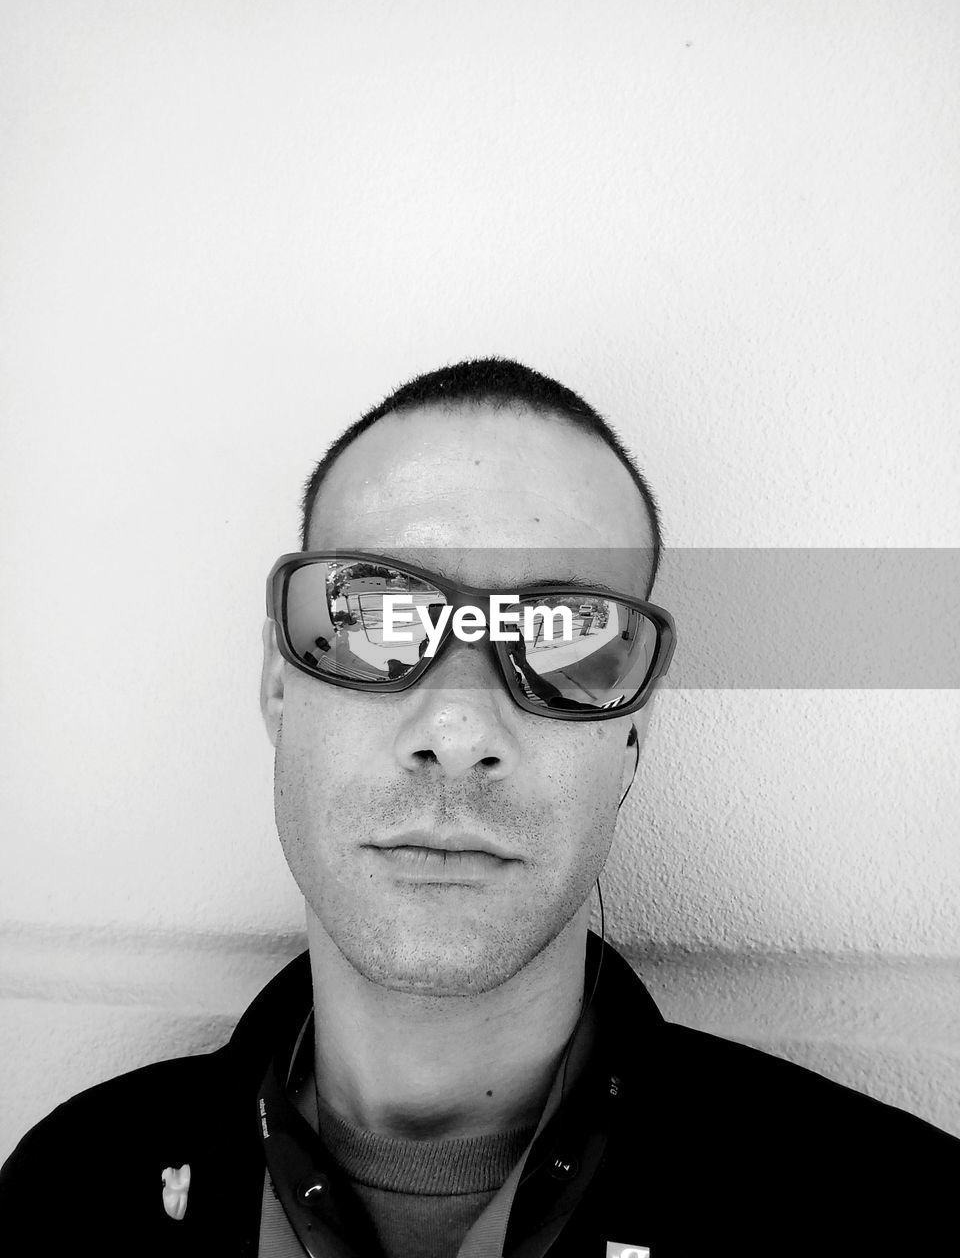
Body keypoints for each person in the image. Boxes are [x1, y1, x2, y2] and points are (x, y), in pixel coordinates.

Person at [1, 358, 957, 1257]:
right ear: (278, 687)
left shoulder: (894, 1215)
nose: (458, 725)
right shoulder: (67, 1195)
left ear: (633, 733)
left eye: (563, 640)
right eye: (374, 615)